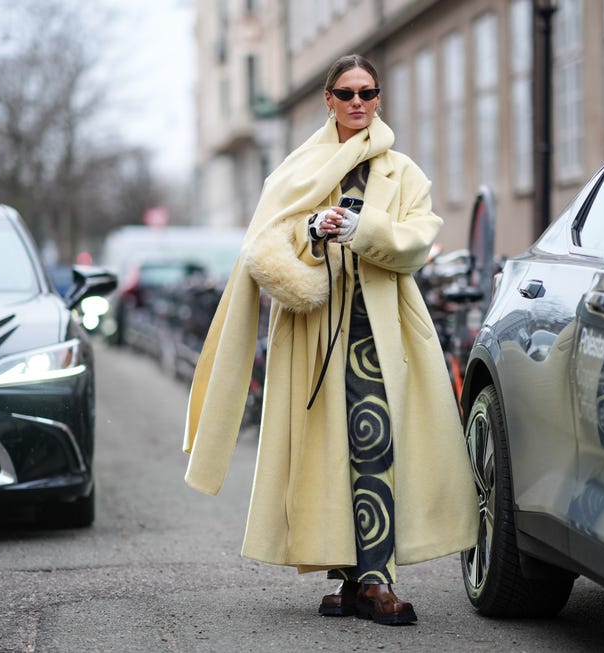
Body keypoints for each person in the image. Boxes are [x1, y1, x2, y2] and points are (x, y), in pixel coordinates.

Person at [182, 54, 478, 626]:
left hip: (381, 328)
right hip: (313, 334)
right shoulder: (296, 169)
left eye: (368, 92)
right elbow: (265, 245)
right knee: (327, 454)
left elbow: (417, 242)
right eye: (346, 93)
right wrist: (312, 232)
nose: (358, 103)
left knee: (376, 442)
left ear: (379, 96)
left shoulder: (404, 172)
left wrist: (360, 227)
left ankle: (375, 580)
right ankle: (347, 576)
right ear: (328, 99)